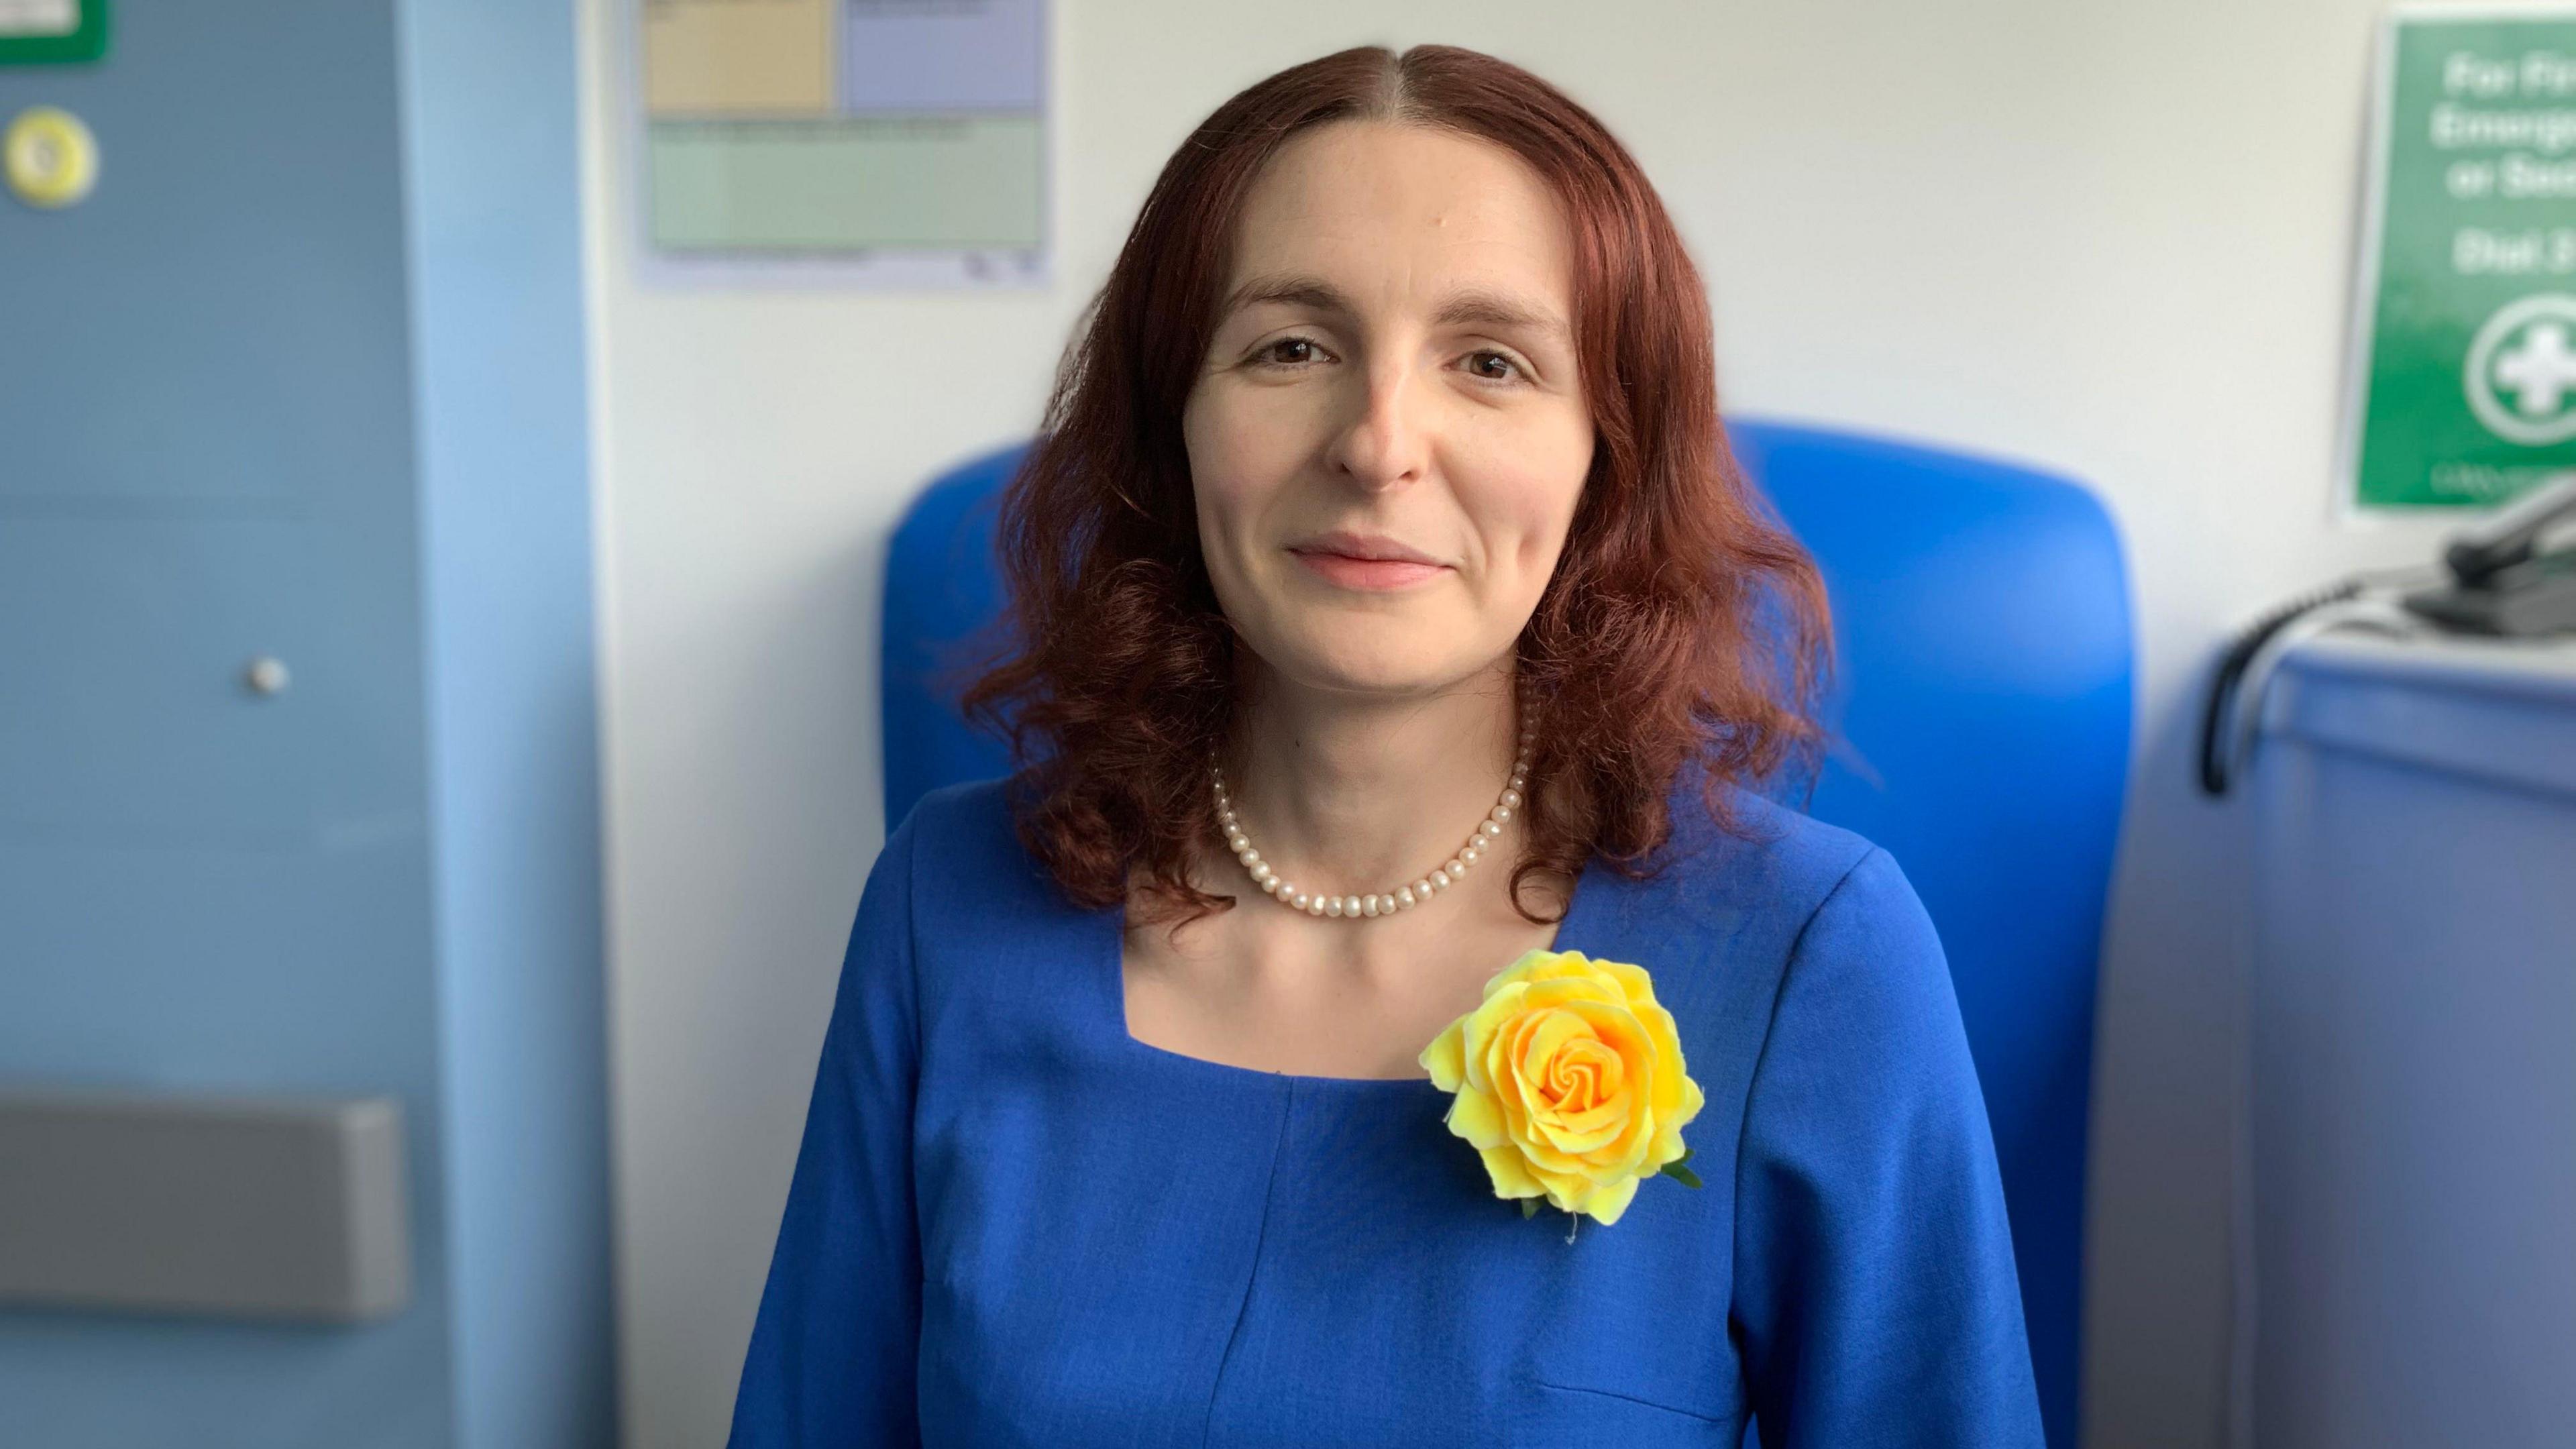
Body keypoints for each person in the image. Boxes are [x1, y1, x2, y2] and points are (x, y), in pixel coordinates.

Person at [726, 42, 2043, 1448]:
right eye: (1291, 347)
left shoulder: (1815, 957)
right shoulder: (946, 905)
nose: (1379, 443)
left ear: (1607, 454)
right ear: (1173, 425)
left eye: (1490, 362)